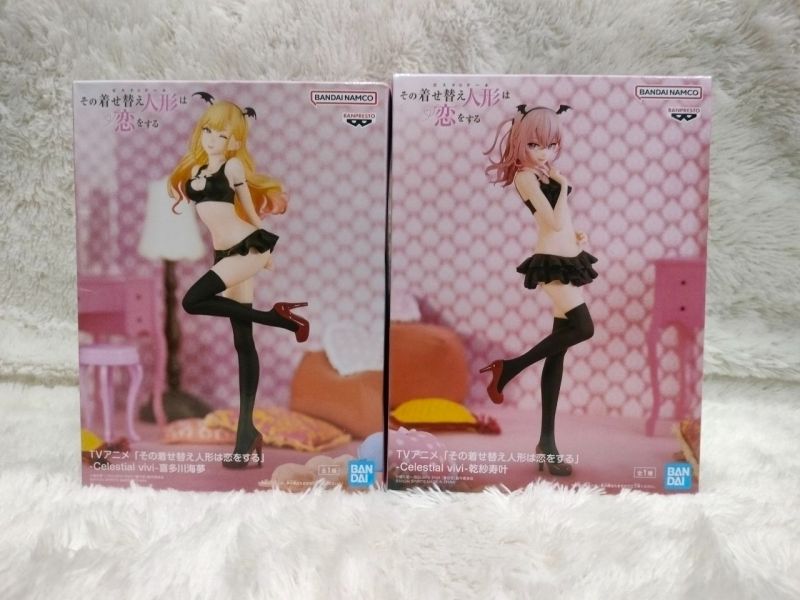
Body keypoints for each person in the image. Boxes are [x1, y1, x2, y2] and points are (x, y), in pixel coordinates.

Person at [168, 92, 309, 469]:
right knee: (242, 341)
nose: (212, 139)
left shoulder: (232, 168)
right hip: (224, 254)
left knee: (191, 301)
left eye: (223, 135)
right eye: (208, 130)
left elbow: (248, 211)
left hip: (247, 247)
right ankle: (246, 433)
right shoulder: (196, 173)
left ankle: (276, 318)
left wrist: (266, 252)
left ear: (235, 142)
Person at [481, 104, 599, 476]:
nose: (544, 152)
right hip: (551, 263)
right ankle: (509, 368)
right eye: (535, 145)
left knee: (558, 349)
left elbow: (562, 223)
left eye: (550, 145)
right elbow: (550, 220)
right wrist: (561, 186)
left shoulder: (543, 173)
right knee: (584, 327)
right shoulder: (525, 178)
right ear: (521, 144)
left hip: (568, 256)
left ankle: (547, 443)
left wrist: (577, 234)